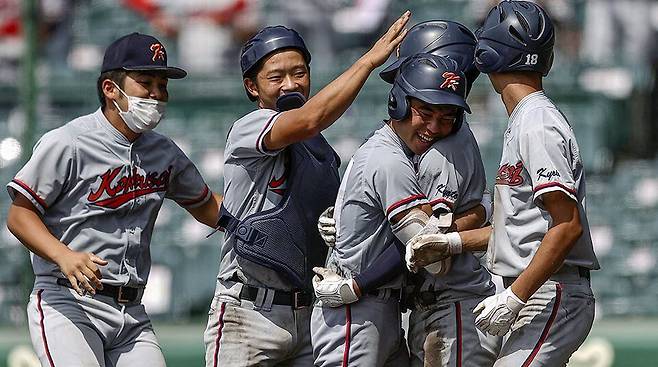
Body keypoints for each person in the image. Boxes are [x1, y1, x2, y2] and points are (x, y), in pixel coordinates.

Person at [203, 12, 410, 366]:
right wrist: (369, 60)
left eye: (299, 73)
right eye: (276, 77)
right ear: (252, 87)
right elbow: (309, 119)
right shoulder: (248, 128)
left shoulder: (321, 151)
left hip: (308, 312)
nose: (290, 84)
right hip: (248, 313)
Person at [5, 32, 222, 367]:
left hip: (132, 313)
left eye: (162, 86)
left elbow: (209, 210)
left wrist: (271, 215)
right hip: (69, 301)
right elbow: (20, 216)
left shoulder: (165, 153)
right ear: (110, 89)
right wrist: (64, 255)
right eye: (145, 82)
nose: (156, 94)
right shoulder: (69, 142)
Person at [408, 1, 600, 365]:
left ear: (487, 55)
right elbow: (521, 229)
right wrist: (452, 242)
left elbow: (568, 225)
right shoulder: (528, 117)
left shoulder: (537, 122)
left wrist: (516, 297)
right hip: (538, 287)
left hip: (550, 291)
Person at [315, 20, 501, 366]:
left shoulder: (441, 150)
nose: (434, 124)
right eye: (424, 110)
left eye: (444, 113)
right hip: (408, 307)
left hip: (443, 304)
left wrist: (359, 282)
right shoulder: (406, 150)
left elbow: (429, 251)